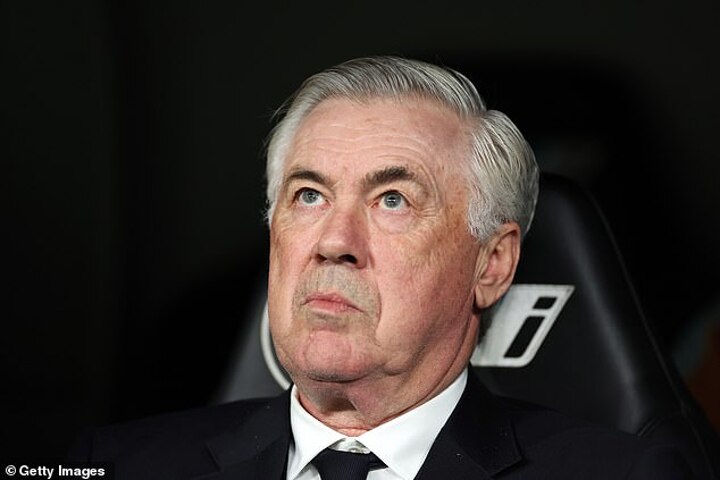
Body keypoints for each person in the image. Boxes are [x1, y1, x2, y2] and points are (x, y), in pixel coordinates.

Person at [69, 56, 694, 479]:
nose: (333, 242)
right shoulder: (113, 464)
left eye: (392, 200)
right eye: (308, 195)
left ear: (492, 264)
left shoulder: (625, 474)